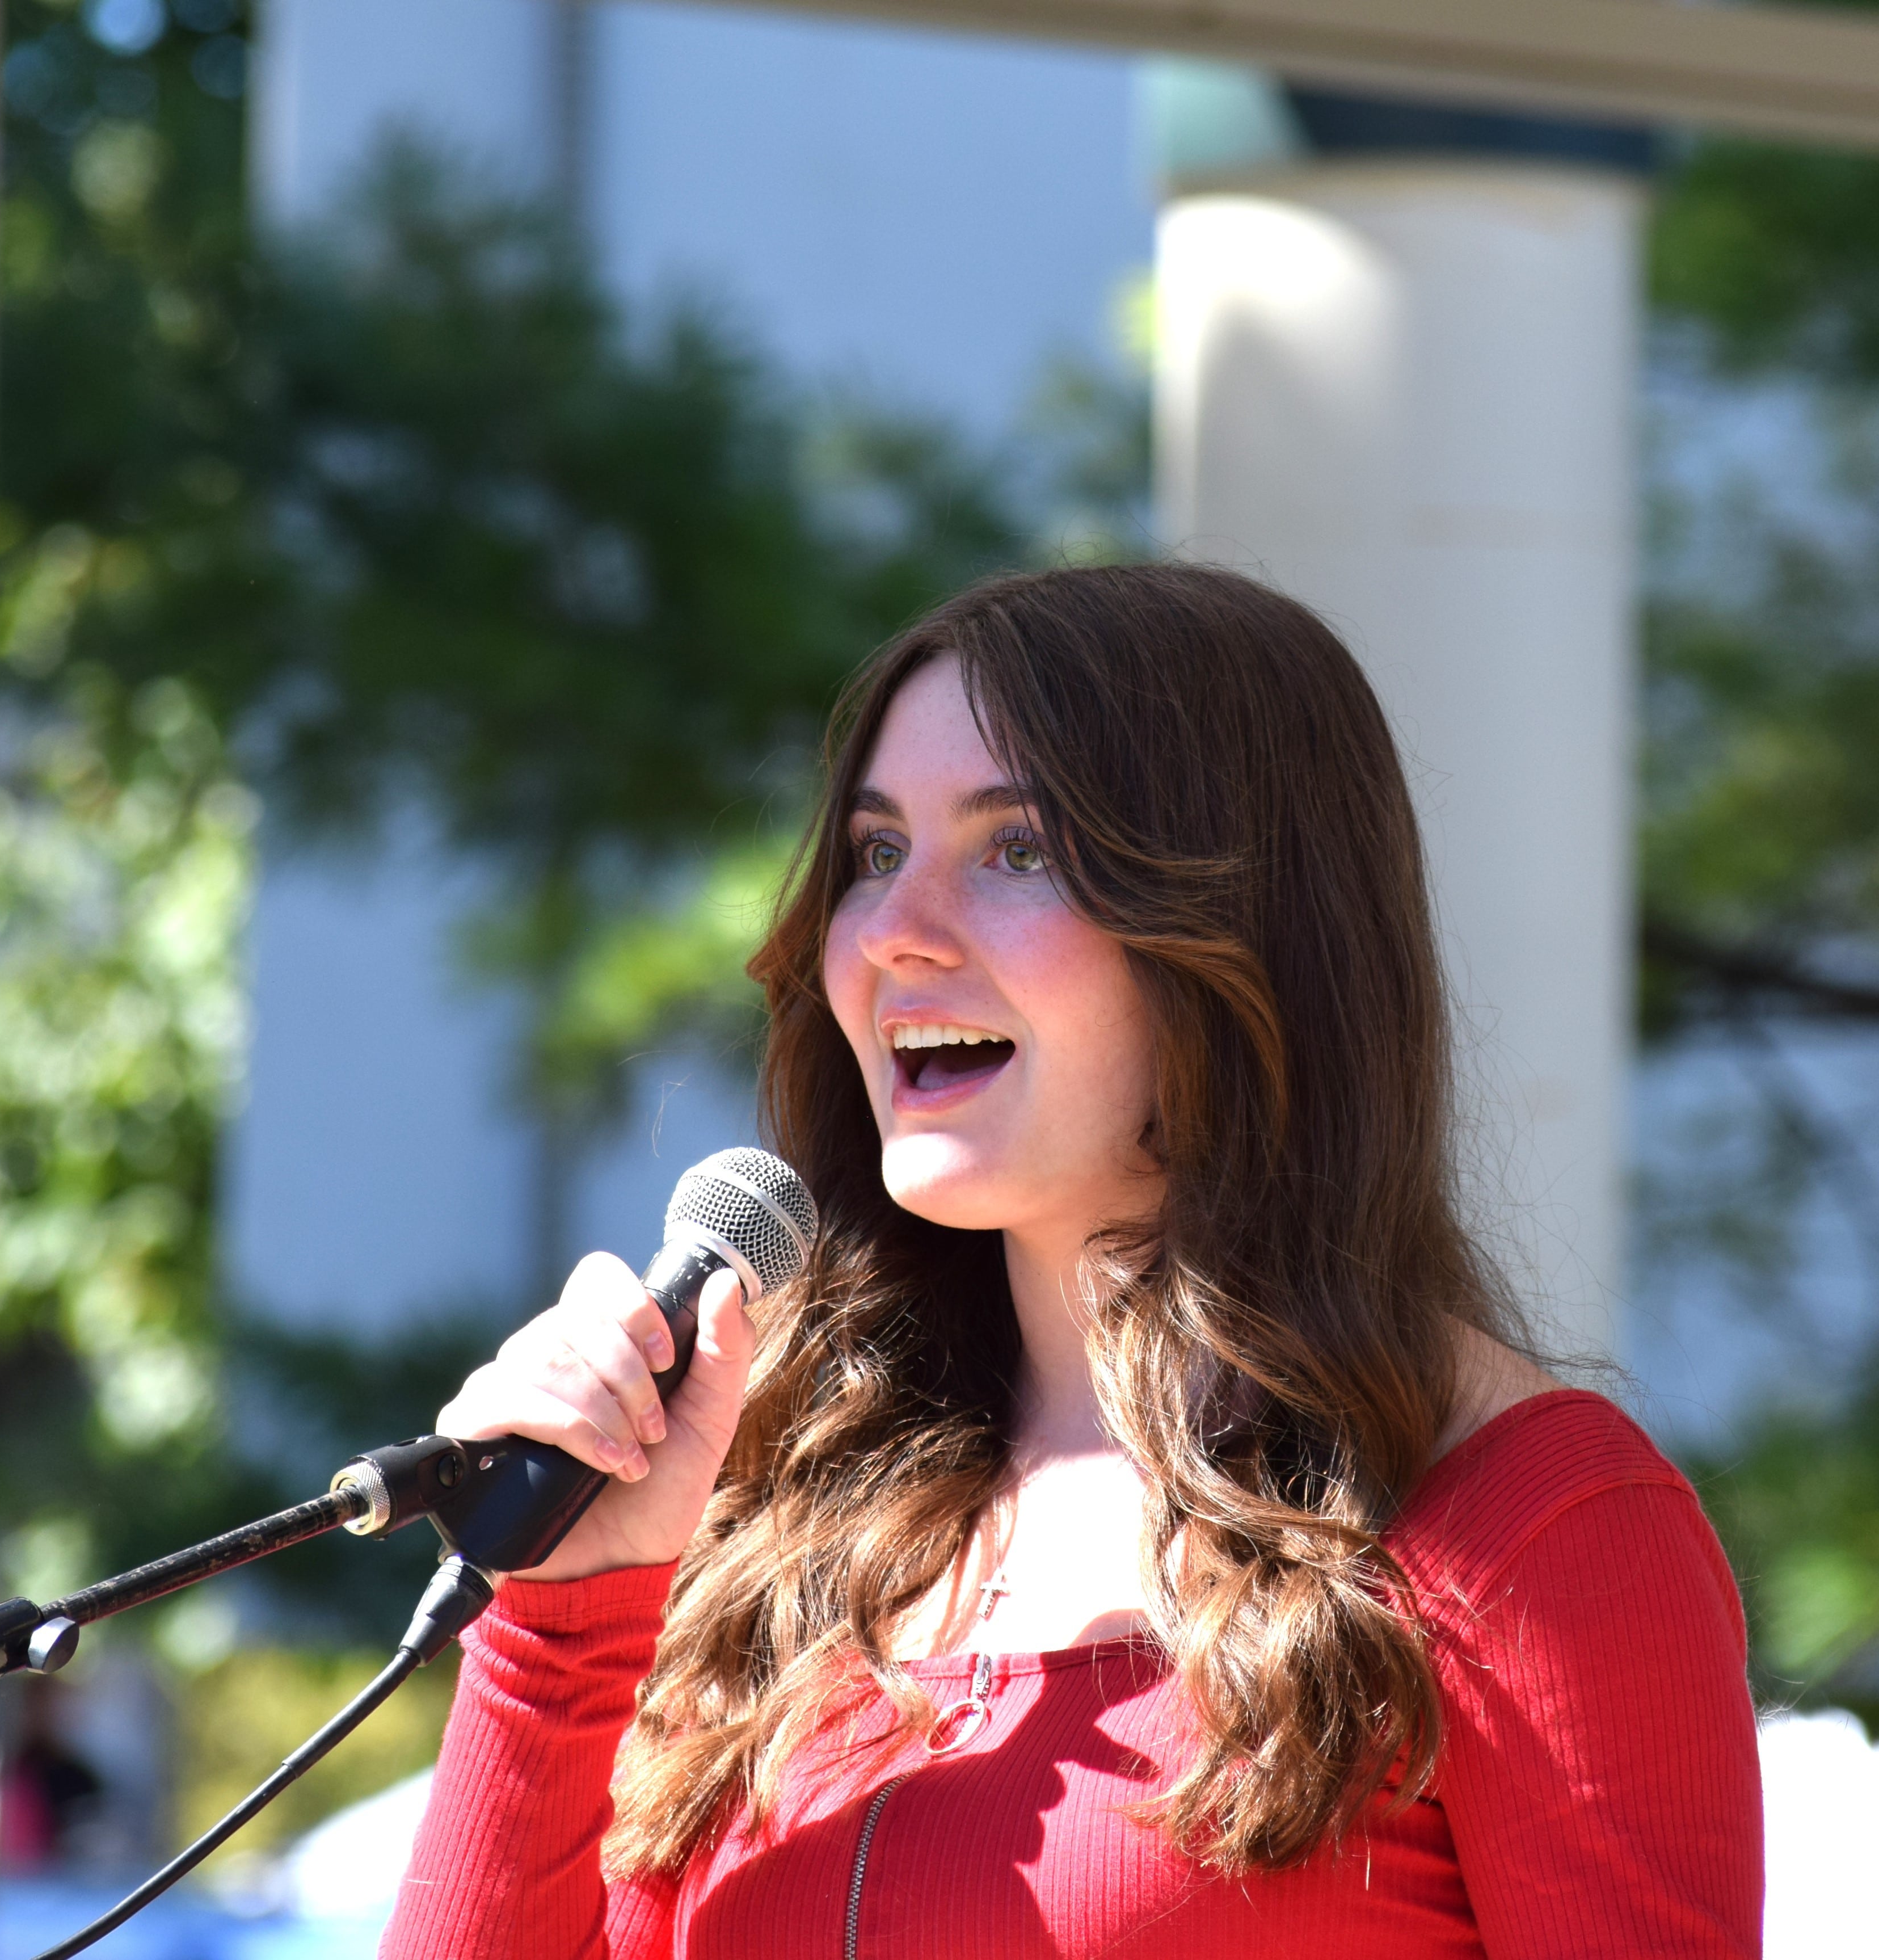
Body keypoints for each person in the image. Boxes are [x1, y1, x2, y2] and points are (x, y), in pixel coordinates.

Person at [382, 564, 1763, 1958]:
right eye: (873, 853)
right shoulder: (761, 1516)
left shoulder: (1531, 1531)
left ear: (1249, 932)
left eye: (1018, 849)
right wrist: (560, 1620)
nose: (892, 935)